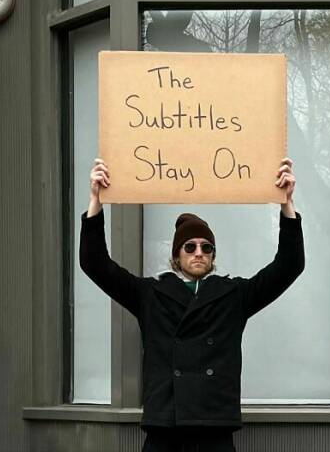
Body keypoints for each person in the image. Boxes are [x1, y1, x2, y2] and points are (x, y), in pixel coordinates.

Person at [80, 157, 304, 452]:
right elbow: (95, 264)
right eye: (190, 246)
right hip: (165, 430)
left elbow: (288, 266)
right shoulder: (151, 295)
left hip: (214, 430)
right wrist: (96, 200)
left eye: (206, 247)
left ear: (212, 255)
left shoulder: (233, 295)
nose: (199, 252)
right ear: (177, 254)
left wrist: (286, 205)